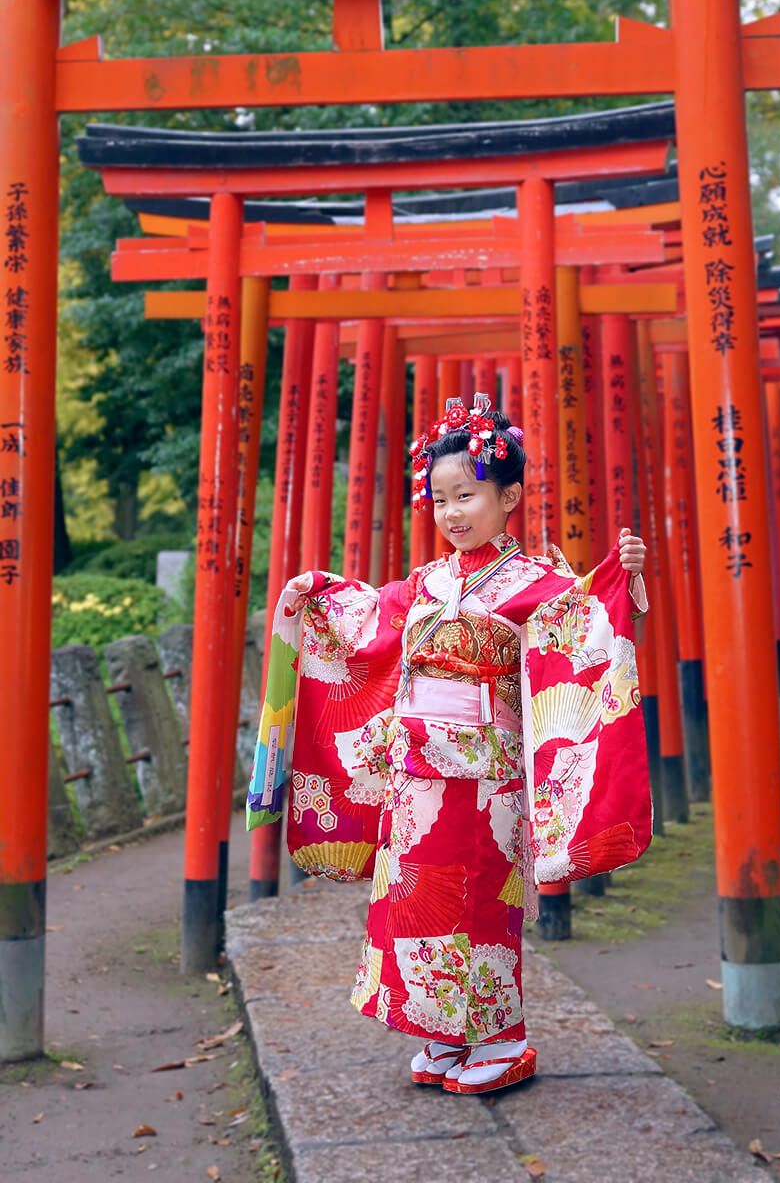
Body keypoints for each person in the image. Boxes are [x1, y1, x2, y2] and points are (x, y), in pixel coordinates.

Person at [248, 395, 650, 1097]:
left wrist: (624, 575)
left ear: (509, 497)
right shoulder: (427, 583)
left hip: (486, 775)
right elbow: (368, 627)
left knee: (479, 903)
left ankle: (503, 1038)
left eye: (467, 495)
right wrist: (316, 595)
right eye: (440, 500)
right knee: (415, 899)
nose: (453, 513)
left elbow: (584, 624)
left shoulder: (535, 582)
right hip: (416, 775)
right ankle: (442, 1031)